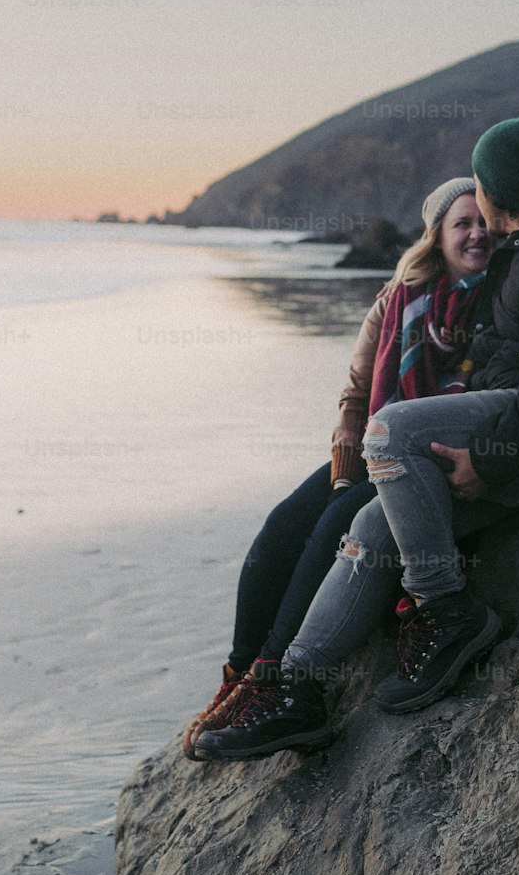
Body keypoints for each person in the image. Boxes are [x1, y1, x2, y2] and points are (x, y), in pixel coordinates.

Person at [194, 116, 519, 761]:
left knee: (391, 433)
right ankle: (296, 690)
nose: (473, 212)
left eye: (479, 186)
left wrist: (490, 461)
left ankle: (445, 610)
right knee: (370, 519)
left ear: (494, 191)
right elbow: (506, 373)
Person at [182, 177, 492, 759]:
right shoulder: (400, 298)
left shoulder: (503, 297)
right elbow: (356, 395)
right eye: (462, 224)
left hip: (426, 461)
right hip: (372, 448)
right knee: (282, 527)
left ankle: (278, 684)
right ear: (437, 236)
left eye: (484, 223)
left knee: (334, 532)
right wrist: (346, 470)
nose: (475, 233)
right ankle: (240, 675)